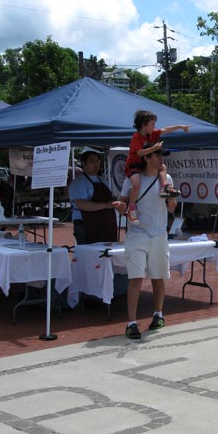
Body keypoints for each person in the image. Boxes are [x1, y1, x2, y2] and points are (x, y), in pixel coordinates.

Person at [119, 147, 178, 340]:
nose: (162, 159)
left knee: (158, 277)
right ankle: (131, 323)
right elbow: (122, 206)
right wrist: (121, 207)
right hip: (137, 234)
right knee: (135, 278)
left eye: (162, 156)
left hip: (159, 234)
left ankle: (158, 315)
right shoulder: (132, 179)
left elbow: (171, 208)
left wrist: (172, 199)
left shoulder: (166, 179)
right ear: (146, 157)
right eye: (158, 155)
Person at [126, 110, 188, 226]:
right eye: (152, 124)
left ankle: (164, 187)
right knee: (136, 184)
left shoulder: (152, 134)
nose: (154, 126)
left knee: (162, 166)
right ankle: (131, 208)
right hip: (134, 165)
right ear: (144, 124)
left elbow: (165, 130)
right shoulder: (136, 137)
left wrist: (180, 126)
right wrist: (154, 148)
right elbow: (139, 153)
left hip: (145, 164)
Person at [68, 149, 127, 245]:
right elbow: (81, 204)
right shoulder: (78, 182)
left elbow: (111, 199)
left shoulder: (103, 180)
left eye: (98, 162)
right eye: (92, 161)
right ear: (84, 163)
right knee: (88, 252)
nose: (96, 165)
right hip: (87, 226)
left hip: (106, 226)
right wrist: (106, 205)